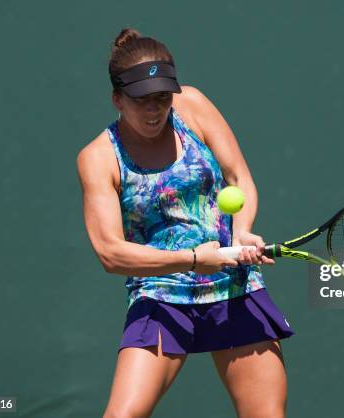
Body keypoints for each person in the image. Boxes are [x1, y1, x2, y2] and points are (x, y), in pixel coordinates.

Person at [76, 28, 294, 418]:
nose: (154, 109)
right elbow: (110, 252)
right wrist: (193, 259)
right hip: (161, 296)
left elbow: (238, 178)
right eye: (141, 100)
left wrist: (242, 231)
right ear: (116, 99)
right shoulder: (98, 158)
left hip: (234, 288)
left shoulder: (192, 106)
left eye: (162, 97)